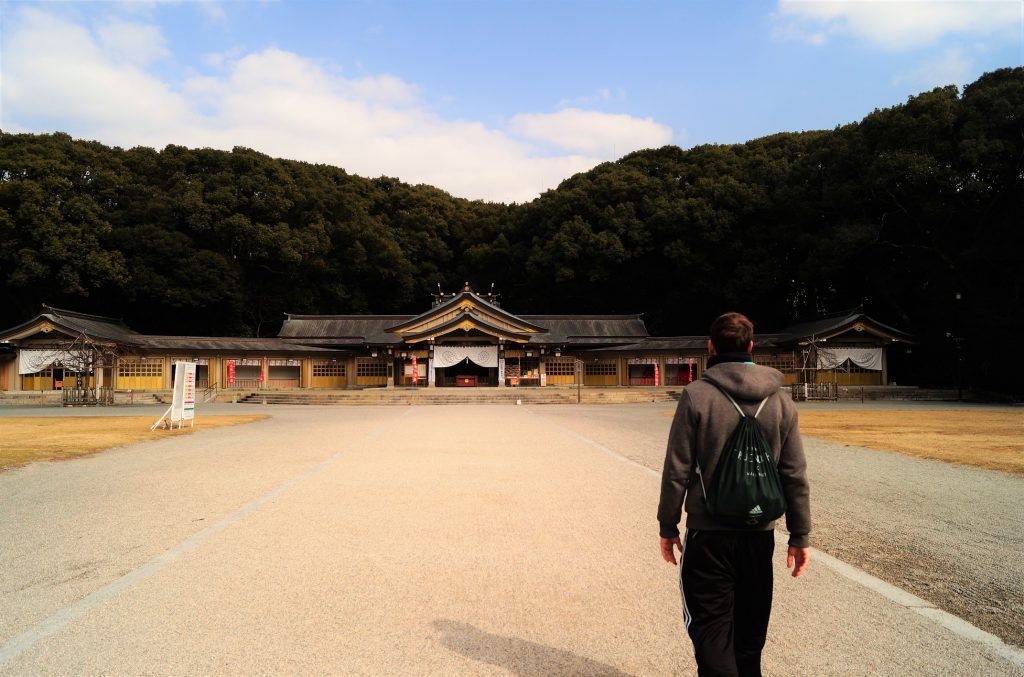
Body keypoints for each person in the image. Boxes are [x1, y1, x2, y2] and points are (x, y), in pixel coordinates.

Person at [658, 311, 811, 677]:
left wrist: (668, 525)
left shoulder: (697, 396)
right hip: (760, 535)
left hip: (709, 533)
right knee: (749, 636)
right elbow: (793, 472)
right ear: (751, 347)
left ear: (710, 347)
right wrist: (800, 534)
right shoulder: (780, 400)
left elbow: (677, 468)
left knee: (710, 630)